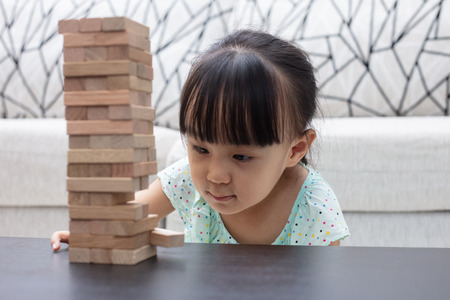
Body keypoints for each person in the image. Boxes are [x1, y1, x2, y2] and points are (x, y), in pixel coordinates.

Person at [51, 29, 349, 250]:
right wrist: (93, 231)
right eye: (201, 148)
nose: (215, 175)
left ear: (295, 149)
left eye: (241, 156)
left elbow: (326, 286)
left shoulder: (314, 209)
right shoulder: (187, 179)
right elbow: (129, 215)